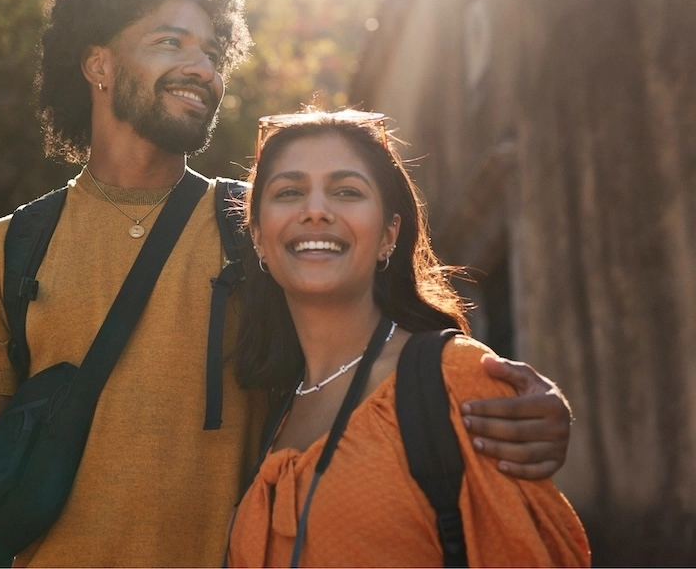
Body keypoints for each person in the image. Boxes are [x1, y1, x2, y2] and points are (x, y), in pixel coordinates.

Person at [0, 0, 573, 567]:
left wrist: (517, 401)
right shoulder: (6, 253)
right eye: (170, 42)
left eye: (211, 51)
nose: (200, 67)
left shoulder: (261, 232)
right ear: (99, 65)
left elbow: (378, 358)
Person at [227, 108, 589, 566]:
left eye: (346, 191)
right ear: (258, 236)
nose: (315, 210)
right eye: (289, 192)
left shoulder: (452, 379)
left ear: (388, 235)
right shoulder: (265, 407)